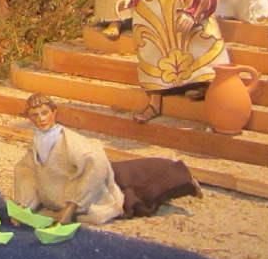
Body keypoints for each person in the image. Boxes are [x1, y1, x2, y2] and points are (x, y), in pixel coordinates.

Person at [13, 94, 202, 226]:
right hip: (71, 180)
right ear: (29, 118)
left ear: (54, 113)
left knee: (133, 195)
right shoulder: (37, 142)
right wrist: (23, 204)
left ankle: (183, 179)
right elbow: (28, 170)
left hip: (91, 181)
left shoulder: (71, 142)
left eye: (44, 113)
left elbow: (95, 165)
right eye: (35, 115)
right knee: (129, 174)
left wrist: (71, 208)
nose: (41, 119)